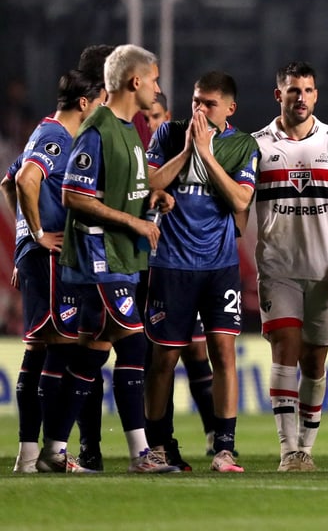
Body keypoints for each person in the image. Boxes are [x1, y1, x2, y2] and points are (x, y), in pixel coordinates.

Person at [48, 44, 179, 473]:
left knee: (91, 356)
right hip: (97, 255)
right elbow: (73, 195)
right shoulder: (98, 128)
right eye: (154, 79)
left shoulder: (130, 130)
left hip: (123, 256)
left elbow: (130, 190)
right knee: (134, 344)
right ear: (134, 81)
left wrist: (153, 199)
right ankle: (142, 455)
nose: (158, 88)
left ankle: (51, 451)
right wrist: (135, 223)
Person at [143, 71, 259, 474]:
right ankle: (158, 446)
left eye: (208, 103)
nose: (199, 109)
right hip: (171, 264)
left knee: (223, 354)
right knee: (163, 359)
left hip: (220, 266)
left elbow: (242, 198)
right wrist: (189, 150)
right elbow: (149, 183)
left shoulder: (243, 145)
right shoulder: (168, 135)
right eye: (195, 101)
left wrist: (207, 155)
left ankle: (224, 447)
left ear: (230, 108)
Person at [1, 70, 106, 473]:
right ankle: (50, 454)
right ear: (84, 103)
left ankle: (29, 456)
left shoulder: (42, 131)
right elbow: (26, 180)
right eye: (97, 103)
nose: (100, 110)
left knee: (39, 349)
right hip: (49, 258)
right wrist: (40, 235)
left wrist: (24, 239)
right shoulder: (58, 138)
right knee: (60, 350)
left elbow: (6, 184)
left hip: (35, 257)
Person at [254, 61, 328, 472]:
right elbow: (242, 203)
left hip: (325, 269)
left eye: (309, 90)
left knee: (315, 361)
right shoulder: (256, 145)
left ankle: (306, 448)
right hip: (278, 267)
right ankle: (288, 450)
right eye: (294, 91)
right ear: (279, 95)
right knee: (285, 350)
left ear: (316, 95)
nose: (302, 98)